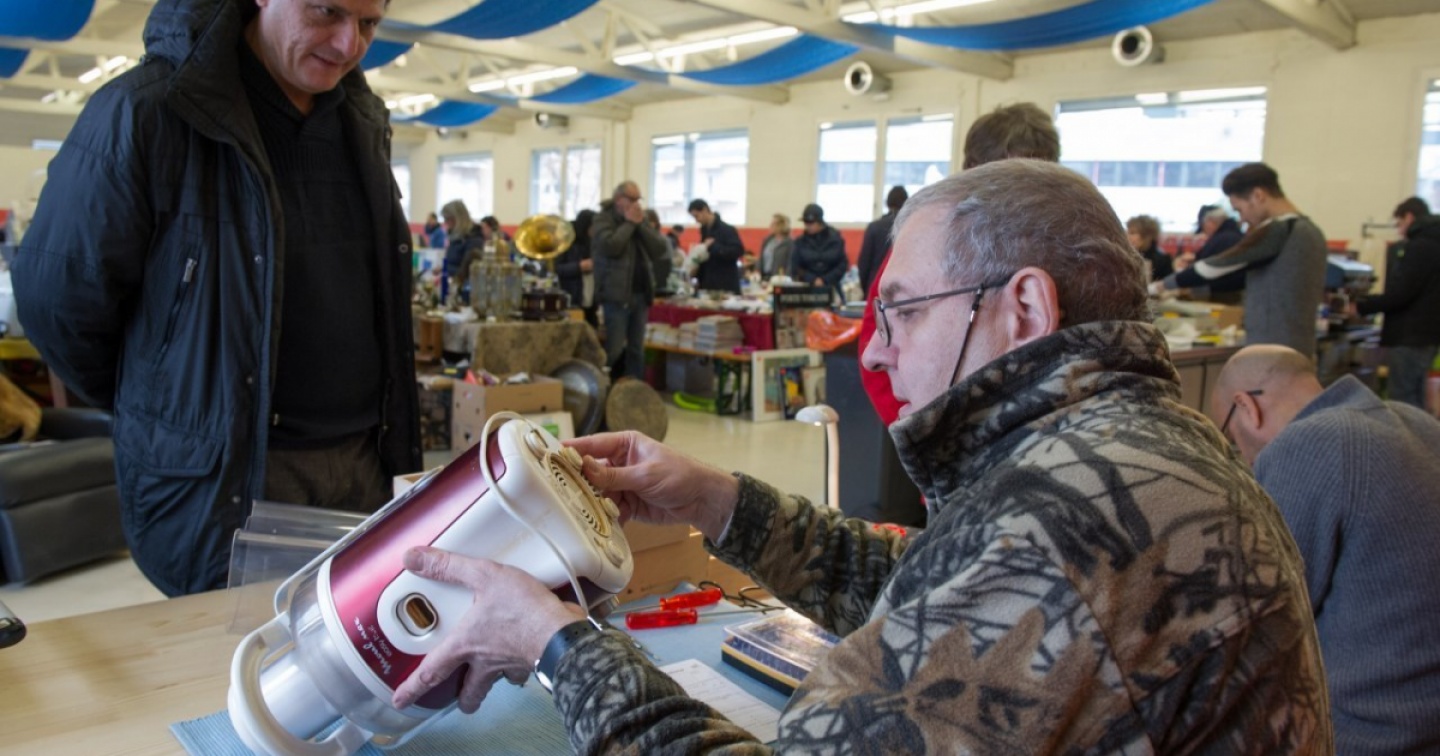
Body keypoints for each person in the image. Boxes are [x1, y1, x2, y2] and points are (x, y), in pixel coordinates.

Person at [390, 160, 1329, 753]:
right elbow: (940, 593)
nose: (873, 353)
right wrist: (716, 501)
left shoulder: (1069, 522)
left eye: (904, 312)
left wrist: (557, 646)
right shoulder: (1141, 451)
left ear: (1024, 308)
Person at [11, 0, 420, 597]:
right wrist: (170, 404)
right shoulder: (147, 111)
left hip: (365, 462)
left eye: (368, 24)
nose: (347, 45)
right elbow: (57, 300)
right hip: (234, 474)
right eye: (326, 12)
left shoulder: (362, 120)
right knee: (232, 653)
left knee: (358, 649)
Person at [1212, 344, 1440, 754]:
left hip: (1374, 735)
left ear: (1246, 407)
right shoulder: (1417, 422)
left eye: (1230, 438)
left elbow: (1259, 617)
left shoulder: (1309, 443)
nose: (1242, 458)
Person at [860, 101, 1062, 429]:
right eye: (1005, 175)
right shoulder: (931, 236)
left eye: (1034, 175)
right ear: (972, 169)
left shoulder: (1064, 239)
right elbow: (880, 331)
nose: (1018, 191)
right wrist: (921, 424)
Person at [1155, 163, 1328, 359]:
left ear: (1258, 195)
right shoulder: (1312, 231)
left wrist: (1160, 286)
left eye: (1240, 209)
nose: (1242, 218)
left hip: (1271, 351)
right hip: (1300, 347)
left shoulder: (1281, 229)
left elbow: (1217, 267)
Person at [1353, 197, 1440, 409]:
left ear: (1409, 217)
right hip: (1428, 335)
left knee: (1402, 402)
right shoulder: (1435, 243)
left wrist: (1361, 306)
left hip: (1409, 336)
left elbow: (1402, 293)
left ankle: (1405, 433)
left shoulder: (1420, 247)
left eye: (1399, 224)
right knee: (1416, 399)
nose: (1399, 231)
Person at [592, 181, 668, 381]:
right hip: (616, 295)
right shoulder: (602, 219)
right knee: (614, 349)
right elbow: (611, 247)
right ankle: (603, 387)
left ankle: (635, 391)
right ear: (619, 199)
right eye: (632, 199)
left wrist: (640, 225)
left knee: (637, 350)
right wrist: (629, 224)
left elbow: (659, 249)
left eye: (638, 199)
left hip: (641, 294)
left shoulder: (640, 219)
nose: (636, 204)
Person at [1179, 205, 1246, 305]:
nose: (1205, 233)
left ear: (1210, 222)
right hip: (1234, 293)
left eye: (1204, 227)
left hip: (1223, 296)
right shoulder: (1234, 235)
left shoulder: (1223, 239)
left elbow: (1207, 267)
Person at [856, 186, 908, 294]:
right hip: (902, 286)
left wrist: (866, 290)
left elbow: (864, 264)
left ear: (887, 203)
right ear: (906, 203)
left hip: (876, 284)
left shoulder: (874, 227)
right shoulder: (910, 227)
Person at [790, 202, 847, 300]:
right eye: (806, 223)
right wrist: (812, 279)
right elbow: (795, 266)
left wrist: (825, 279)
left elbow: (842, 264)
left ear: (820, 222)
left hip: (832, 288)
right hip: (807, 291)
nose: (808, 226)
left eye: (811, 223)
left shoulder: (835, 240)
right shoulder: (800, 242)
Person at [685, 199, 743, 294]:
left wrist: (714, 247)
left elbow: (738, 251)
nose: (696, 220)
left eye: (696, 216)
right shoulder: (705, 231)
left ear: (705, 210)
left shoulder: (727, 230)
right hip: (708, 284)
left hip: (725, 285)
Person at [554, 208, 596, 328]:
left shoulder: (594, 242)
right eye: (592, 226)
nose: (595, 230)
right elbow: (557, 269)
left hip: (591, 300)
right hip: (573, 299)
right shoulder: (566, 243)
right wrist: (579, 267)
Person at [441, 199, 485, 300]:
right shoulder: (456, 237)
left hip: (465, 292)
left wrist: (448, 273)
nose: (445, 223)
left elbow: (467, 271)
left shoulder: (474, 239)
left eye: (447, 219)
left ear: (458, 218)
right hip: (454, 287)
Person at [1124, 214, 1173, 282]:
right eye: (1127, 232)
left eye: (1132, 233)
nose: (1127, 236)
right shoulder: (1125, 256)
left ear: (1147, 236)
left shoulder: (1163, 260)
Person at [643, 208, 676, 294]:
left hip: (658, 283)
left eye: (646, 222)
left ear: (654, 223)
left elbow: (666, 266)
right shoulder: (639, 239)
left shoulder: (663, 240)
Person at [758, 213, 793, 280]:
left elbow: (790, 263)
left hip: (779, 278)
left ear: (781, 226)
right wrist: (757, 270)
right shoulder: (767, 241)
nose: (770, 226)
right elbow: (761, 258)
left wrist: (786, 277)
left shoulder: (790, 243)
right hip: (764, 277)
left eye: (773, 224)